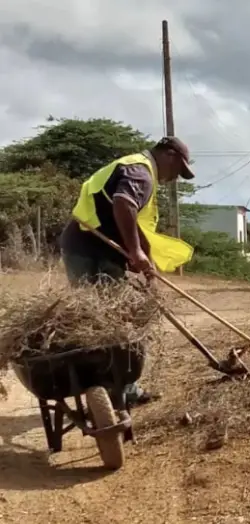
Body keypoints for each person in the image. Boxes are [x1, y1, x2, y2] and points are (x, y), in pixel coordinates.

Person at [60, 136, 196, 406]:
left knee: (111, 317)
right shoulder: (140, 172)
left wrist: (145, 259)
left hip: (96, 248)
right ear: (168, 155)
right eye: (177, 170)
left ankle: (120, 388)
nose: (174, 178)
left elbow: (136, 222)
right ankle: (110, 389)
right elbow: (123, 203)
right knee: (104, 318)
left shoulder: (137, 169)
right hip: (88, 249)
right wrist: (135, 252)